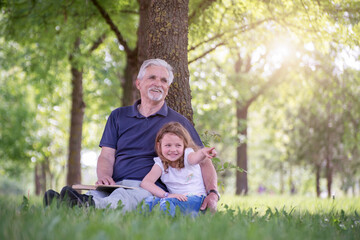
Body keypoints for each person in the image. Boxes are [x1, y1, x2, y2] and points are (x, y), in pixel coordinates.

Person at [44, 59, 219, 212]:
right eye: (152, 77)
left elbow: (204, 160)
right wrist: (104, 176)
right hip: (115, 183)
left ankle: (80, 207)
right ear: (138, 83)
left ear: (167, 88)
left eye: (163, 80)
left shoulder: (178, 123)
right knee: (99, 194)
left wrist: (213, 193)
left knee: (125, 199)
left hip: (149, 188)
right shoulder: (118, 116)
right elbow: (106, 155)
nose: (158, 83)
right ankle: (65, 203)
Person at [140, 122, 217, 216]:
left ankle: (167, 227)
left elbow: (195, 158)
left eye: (178, 145)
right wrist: (166, 195)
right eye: (168, 145)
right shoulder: (160, 163)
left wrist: (202, 153)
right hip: (175, 199)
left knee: (167, 204)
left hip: (196, 199)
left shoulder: (188, 156)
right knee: (148, 202)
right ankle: (143, 226)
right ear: (159, 146)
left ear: (184, 145)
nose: (173, 150)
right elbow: (146, 183)